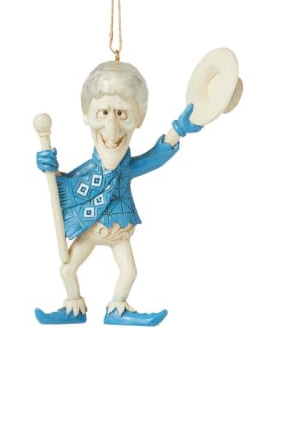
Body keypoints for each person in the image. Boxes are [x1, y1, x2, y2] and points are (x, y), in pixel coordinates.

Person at [34, 60, 202, 326]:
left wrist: (178, 130)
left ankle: (117, 310)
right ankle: (74, 308)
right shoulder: (89, 172)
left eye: (122, 114)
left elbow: (155, 157)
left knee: (129, 272)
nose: (111, 129)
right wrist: (50, 169)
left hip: (118, 228)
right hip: (90, 228)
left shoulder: (126, 168)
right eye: (103, 113)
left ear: (139, 118)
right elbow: (63, 186)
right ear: (87, 116)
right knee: (67, 270)